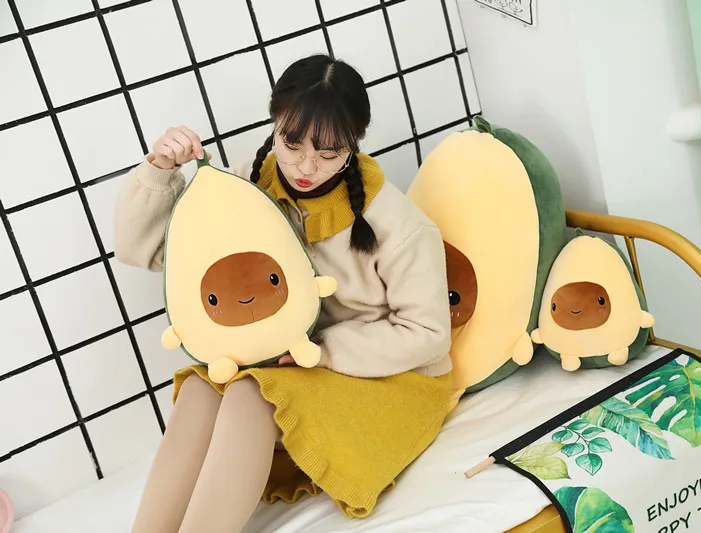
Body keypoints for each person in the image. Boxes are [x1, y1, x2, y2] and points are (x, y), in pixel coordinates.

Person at [113, 54, 453, 533]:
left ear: (354, 144)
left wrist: (322, 351)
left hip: (386, 376)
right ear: (275, 123)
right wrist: (160, 169)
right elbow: (146, 251)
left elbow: (429, 334)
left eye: (329, 153)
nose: (306, 166)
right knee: (199, 387)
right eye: (292, 143)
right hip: (292, 366)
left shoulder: (398, 225)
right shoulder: (249, 189)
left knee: (250, 392)